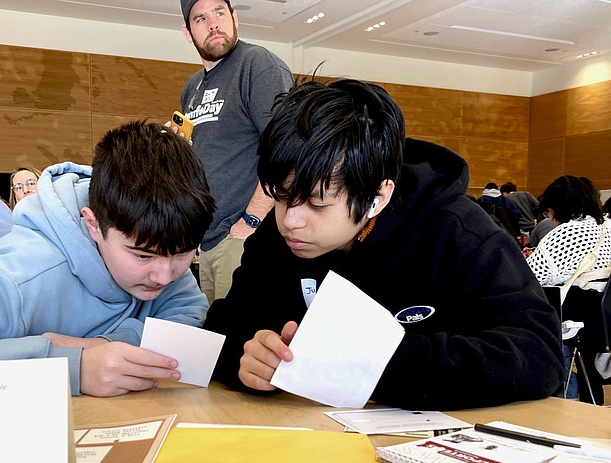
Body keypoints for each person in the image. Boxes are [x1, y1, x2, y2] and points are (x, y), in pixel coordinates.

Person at [203, 79, 564, 410]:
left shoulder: (458, 232)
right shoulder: (276, 235)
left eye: (317, 203)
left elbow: (539, 355)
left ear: (378, 196)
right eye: (281, 196)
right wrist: (246, 356)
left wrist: (377, 362)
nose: (291, 220)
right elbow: (225, 325)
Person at [0, 121, 216, 398]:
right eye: (142, 255)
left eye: (184, 254)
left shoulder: (163, 242)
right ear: (93, 224)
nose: (164, 275)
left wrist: (105, 344)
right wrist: (70, 366)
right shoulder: (23, 273)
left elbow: (186, 312)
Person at [178, 0, 293, 303]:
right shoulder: (193, 88)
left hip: (245, 235)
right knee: (217, 339)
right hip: (208, 240)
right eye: (200, 18)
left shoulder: (258, 65)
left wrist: (251, 221)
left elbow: (286, 151)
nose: (213, 23)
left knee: (242, 338)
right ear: (188, 32)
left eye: (219, 12)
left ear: (235, 18)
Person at [526, 176, 611, 404]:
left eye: (549, 213)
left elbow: (529, 278)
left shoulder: (563, 235)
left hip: (577, 321)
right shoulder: (609, 226)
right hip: (604, 320)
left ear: (558, 208)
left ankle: (561, 394)